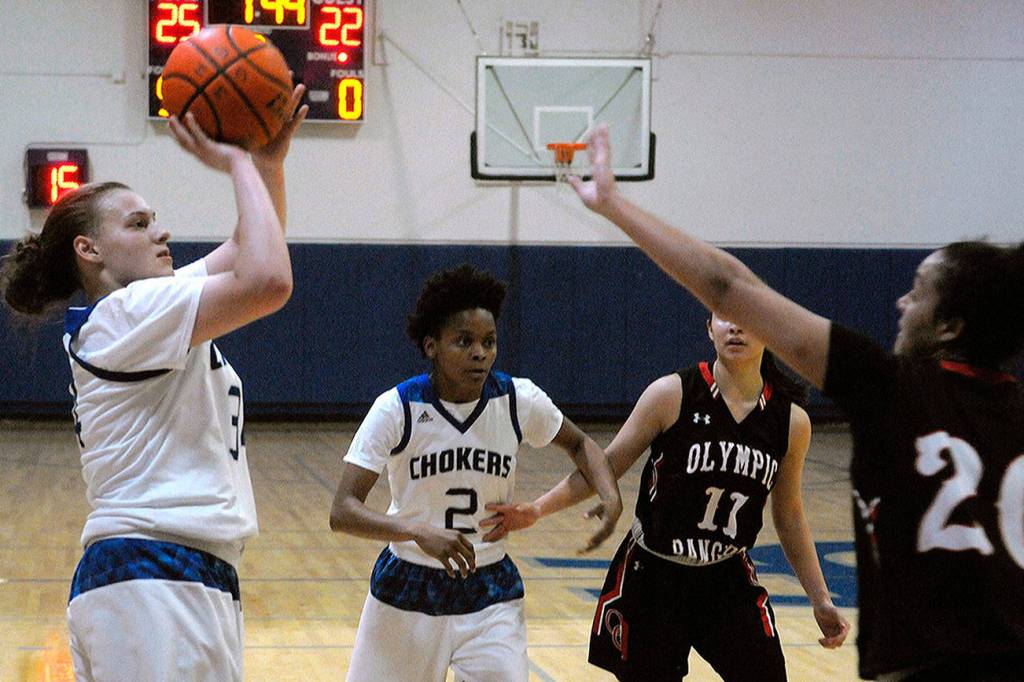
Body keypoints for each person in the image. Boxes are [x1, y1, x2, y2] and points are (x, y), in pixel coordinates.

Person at [565, 124, 1024, 681]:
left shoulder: (891, 388)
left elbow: (730, 287)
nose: (902, 301)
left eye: (919, 291)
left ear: (950, 326)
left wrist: (613, 205)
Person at [0, 88, 307, 681]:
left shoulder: (138, 311)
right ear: (88, 249)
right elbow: (268, 279)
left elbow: (247, 248)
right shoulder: (126, 314)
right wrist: (237, 163)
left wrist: (267, 165)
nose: (160, 233)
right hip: (152, 574)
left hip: (173, 576)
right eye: (139, 224)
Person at [485, 312, 850, 680]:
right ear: (710, 329)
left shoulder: (791, 422)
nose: (736, 326)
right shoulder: (671, 394)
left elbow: (789, 516)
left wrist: (820, 599)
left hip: (727, 577)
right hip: (654, 576)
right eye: (724, 317)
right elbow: (605, 466)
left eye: (748, 317)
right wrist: (537, 509)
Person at [329, 264, 623, 682]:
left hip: (489, 587)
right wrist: (416, 530)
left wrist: (610, 495)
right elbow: (342, 510)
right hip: (409, 583)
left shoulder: (518, 400)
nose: (480, 353)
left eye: (489, 341)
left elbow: (581, 444)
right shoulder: (398, 408)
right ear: (431, 345)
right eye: (464, 341)